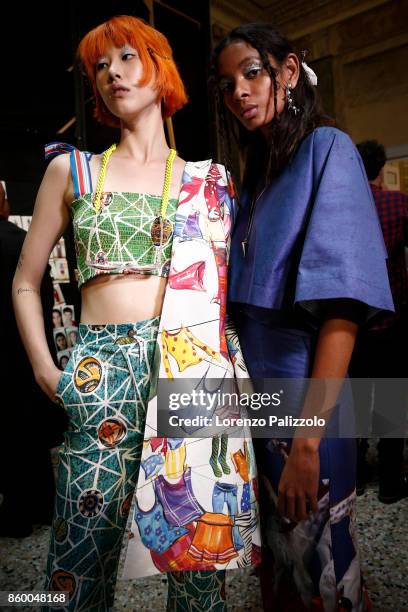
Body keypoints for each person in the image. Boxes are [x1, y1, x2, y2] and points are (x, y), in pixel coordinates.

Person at [13, 15, 259, 612]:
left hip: (191, 365)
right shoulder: (71, 171)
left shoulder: (210, 180)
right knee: (80, 548)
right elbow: (25, 281)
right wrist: (48, 371)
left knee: (198, 555)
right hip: (102, 370)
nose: (112, 73)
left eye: (126, 57)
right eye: (100, 65)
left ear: (160, 66)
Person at [212, 23, 394, 611]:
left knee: (325, 562)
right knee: (282, 568)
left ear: (288, 72)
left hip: (307, 401)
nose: (239, 91)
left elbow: (342, 309)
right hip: (257, 404)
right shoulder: (258, 174)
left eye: (252, 73)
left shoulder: (328, 149)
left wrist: (309, 443)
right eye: (227, 83)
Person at [0, 183, 67, 537]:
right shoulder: (19, 241)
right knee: (31, 437)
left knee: (9, 440)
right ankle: (42, 504)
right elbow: (42, 298)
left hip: (12, 359)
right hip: (24, 355)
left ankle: (16, 512)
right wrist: (43, 362)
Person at [351, 139, 408, 502]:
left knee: (354, 405)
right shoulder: (398, 205)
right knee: (391, 404)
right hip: (393, 319)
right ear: (379, 167)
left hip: (351, 325)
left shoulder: (343, 212)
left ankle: (355, 478)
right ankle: (389, 483)